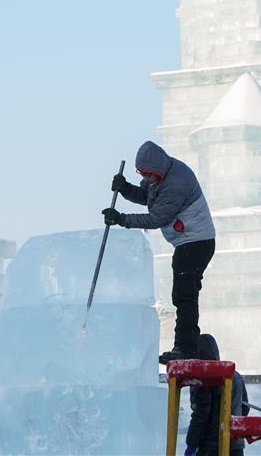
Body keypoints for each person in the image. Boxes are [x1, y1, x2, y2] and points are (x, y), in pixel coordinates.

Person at [102, 140, 216, 363]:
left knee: (184, 295)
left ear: (157, 170)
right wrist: (126, 190)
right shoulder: (160, 175)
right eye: (142, 175)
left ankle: (186, 348)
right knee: (182, 295)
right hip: (187, 242)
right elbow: (148, 198)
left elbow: (157, 218)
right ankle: (186, 346)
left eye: (148, 176)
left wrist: (122, 219)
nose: (145, 180)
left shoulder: (177, 182)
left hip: (196, 242)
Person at [185, 334, 249, 456]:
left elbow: (201, 414)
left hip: (212, 447)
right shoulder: (236, 376)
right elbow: (244, 408)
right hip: (235, 446)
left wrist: (191, 445)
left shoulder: (203, 378)